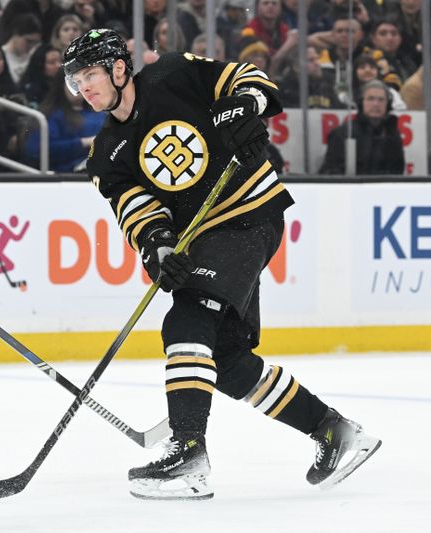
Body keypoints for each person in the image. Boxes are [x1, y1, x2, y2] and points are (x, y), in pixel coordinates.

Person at [63, 28, 381, 500]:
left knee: (186, 321)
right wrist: (159, 249)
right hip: (206, 237)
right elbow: (138, 209)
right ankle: (335, 432)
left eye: (90, 74)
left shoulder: (173, 73)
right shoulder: (106, 153)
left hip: (248, 215)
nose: (83, 87)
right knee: (226, 361)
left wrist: (247, 107)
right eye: (75, 80)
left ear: (117, 68)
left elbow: (246, 78)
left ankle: (188, 451)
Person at [319, 79, 404, 175]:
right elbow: (330, 172)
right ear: (361, 102)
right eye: (370, 99)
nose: (376, 104)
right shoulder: (343, 134)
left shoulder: (392, 134)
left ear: (387, 104)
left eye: (381, 100)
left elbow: (397, 171)